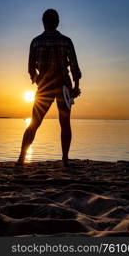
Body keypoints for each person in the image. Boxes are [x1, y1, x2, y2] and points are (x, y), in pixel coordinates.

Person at [17, 9, 82, 167]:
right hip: (63, 86)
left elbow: (31, 69)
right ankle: (65, 159)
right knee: (65, 123)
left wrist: (39, 82)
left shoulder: (36, 42)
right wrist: (76, 87)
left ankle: (21, 158)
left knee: (34, 123)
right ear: (58, 22)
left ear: (43, 22)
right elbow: (74, 67)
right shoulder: (66, 41)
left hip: (44, 87)